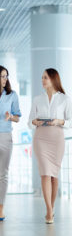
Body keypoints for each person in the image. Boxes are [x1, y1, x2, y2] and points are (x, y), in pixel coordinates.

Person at [28, 68, 72, 224]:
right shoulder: (37, 99)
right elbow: (30, 121)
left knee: (54, 175)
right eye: (42, 77)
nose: (42, 80)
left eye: (45, 77)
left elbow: (71, 121)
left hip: (57, 138)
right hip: (41, 137)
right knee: (45, 174)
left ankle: (51, 208)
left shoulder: (64, 99)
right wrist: (35, 122)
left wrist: (59, 121)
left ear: (53, 79)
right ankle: (48, 210)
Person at [0, 65, 21, 221]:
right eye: (2, 76)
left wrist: (10, 117)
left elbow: (17, 117)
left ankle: (0, 208)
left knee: (3, 175)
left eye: (6, 76)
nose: (5, 79)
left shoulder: (11, 95)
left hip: (6, 136)